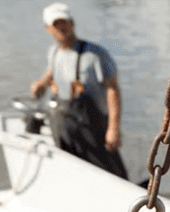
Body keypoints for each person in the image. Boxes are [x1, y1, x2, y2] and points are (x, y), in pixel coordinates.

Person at [30, 3, 128, 179]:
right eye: (56, 24)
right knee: (74, 173)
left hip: (93, 126)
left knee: (112, 174)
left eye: (64, 22)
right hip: (64, 126)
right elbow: (51, 72)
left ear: (72, 23)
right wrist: (41, 83)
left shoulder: (95, 55)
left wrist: (113, 128)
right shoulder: (54, 53)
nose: (61, 27)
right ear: (48, 29)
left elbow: (113, 90)